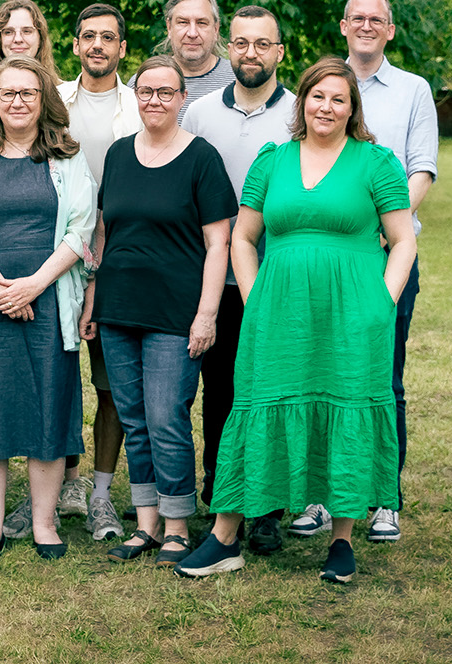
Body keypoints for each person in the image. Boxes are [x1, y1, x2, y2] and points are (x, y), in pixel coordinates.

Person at [173, 58, 417, 584]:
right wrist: (258, 296)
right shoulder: (273, 161)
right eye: (317, 96)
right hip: (278, 312)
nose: (326, 107)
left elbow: (403, 241)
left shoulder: (375, 163)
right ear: (301, 101)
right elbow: (242, 235)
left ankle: (342, 541)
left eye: (338, 99)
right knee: (258, 405)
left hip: (353, 312)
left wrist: (382, 302)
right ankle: (224, 537)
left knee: (346, 403)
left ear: (352, 109)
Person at [83, 55, 235, 567]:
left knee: (167, 415)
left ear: (182, 99)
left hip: (176, 313)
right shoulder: (120, 155)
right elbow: (105, 231)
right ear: (136, 96)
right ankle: (145, 523)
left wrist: (207, 314)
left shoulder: (201, 159)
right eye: (146, 92)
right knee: (132, 416)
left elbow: (219, 244)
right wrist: (94, 299)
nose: (154, 101)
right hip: (120, 308)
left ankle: (176, 525)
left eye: (166, 93)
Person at [0, 56, 94, 561]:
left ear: (43, 99)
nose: (17, 102)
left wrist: (32, 286)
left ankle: (44, 523)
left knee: (47, 410)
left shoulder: (68, 157)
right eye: (8, 93)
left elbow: (81, 229)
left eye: (28, 93)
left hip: (49, 303)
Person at [180, 5, 294, 554]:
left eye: (262, 44)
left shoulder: (299, 114)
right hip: (216, 281)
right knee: (220, 393)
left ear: (279, 52)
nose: (251, 53)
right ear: (229, 49)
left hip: (280, 280)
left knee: (271, 393)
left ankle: (268, 508)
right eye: (242, 43)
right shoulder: (198, 114)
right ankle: (218, 493)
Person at [335, 0, 437, 545]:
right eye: (359, 18)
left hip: (387, 253)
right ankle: (325, 496)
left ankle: (384, 500)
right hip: (332, 258)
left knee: (383, 376)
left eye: (378, 19)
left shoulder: (413, 91)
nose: (368, 26)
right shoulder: (326, 82)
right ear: (344, 26)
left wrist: (384, 223)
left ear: (389, 30)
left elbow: (421, 169)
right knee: (325, 371)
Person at [56, 2, 139, 540]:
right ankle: (64, 482)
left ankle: (104, 492)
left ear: (122, 48)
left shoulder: (140, 104)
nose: (97, 46)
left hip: (119, 259)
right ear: (76, 45)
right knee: (58, 377)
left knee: (110, 385)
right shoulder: (53, 101)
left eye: (108, 38)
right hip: (59, 257)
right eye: (88, 37)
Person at [163, 0, 235, 121]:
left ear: (216, 29)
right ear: (169, 27)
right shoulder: (144, 83)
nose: (192, 33)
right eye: (183, 22)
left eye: (201, 23)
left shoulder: (238, 80)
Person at [0, 0, 58, 77]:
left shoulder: (62, 90)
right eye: (8, 32)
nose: (18, 39)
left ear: (40, 38)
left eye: (26, 31)